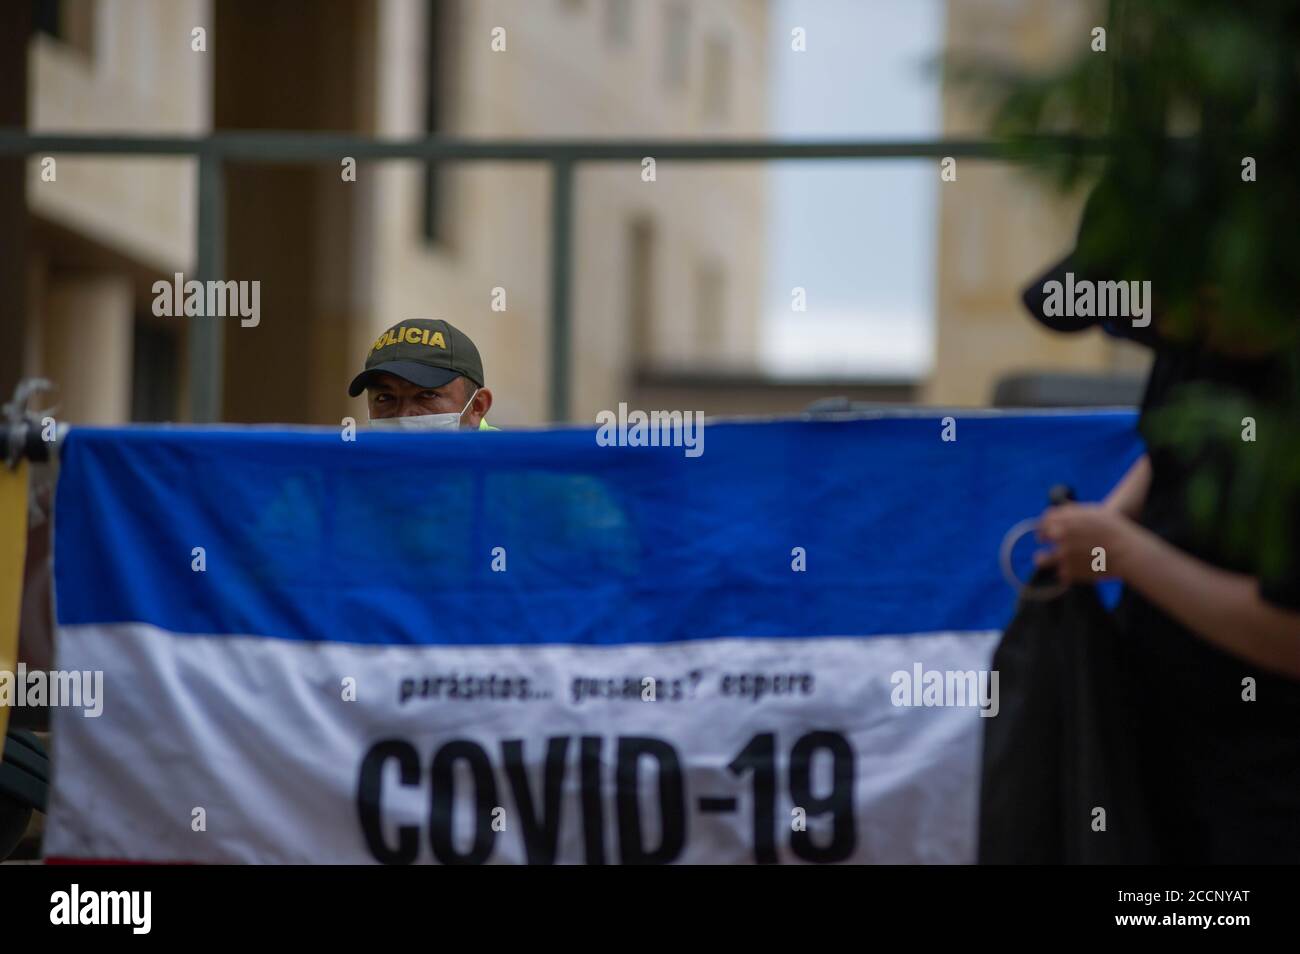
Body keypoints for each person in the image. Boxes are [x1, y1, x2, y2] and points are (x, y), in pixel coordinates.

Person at [1023, 191, 1300, 863]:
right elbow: (1170, 449)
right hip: (1173, 760)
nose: (1131, 331)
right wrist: (1105, 522)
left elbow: (1289, 636)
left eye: (1136, 315)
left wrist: (1126, 553)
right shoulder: (1197, 346)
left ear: (1208, 291)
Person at [348, 318, 496, 430]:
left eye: (427, 395)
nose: (403, 415)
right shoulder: (353, 467)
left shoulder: (511, 466)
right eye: (385, 398)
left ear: (477, 406)